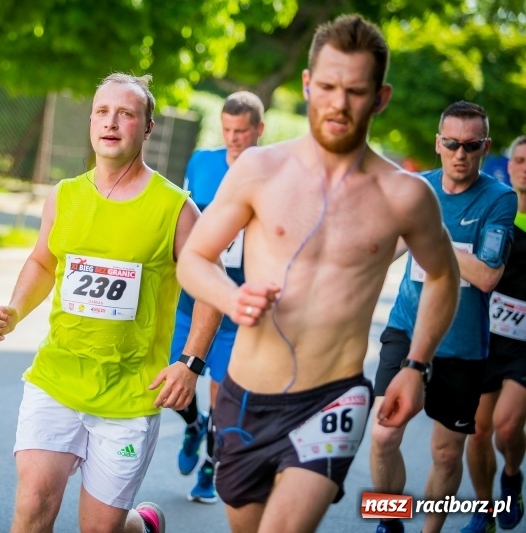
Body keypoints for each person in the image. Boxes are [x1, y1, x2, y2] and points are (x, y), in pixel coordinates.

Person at [176, 14, 461, 533]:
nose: (338, 102)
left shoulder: (406, 195)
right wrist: (230, 296)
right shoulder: (259, 170)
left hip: (332, 399)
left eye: (355, 90)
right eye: (327, 86)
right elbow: (194, 258)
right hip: (244, 397)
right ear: (307, 85)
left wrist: (415, 367)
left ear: (380, 97)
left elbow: (443, 277)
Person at [0, 72, 222, 533]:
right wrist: (13, 310)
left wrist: (190, 364)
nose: (111, 123)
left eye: (126, 114)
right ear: (91, 121)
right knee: (32, 508)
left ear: (147, 128)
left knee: (101, 529)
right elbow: (42, 261)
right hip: (57, 378)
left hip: (129, 395)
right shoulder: (65, 195)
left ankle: (142, 526)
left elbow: (209, 286)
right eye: (102, 112)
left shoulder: (175, 208)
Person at [370, 101, 517, 533]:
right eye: (451, 143)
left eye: (471, 145)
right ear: (438, 144)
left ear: (485, 147)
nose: (460, 153)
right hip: (405, 329)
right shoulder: (417, 190)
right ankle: (390, 522)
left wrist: (430, 236)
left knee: (447, 454)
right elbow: (381, 255)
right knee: (382, 437)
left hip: (462, 345)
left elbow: (488, 274)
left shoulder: (499, 198)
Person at [171, 91, 265, 504]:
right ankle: (193, 425)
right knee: (173, 388)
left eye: (242, 131)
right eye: (227, 130)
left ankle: (210, 468)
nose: (233, 139)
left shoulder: (272, 173)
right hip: (193, 299)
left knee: (221, 397)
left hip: (238, 305)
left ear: (259, 130)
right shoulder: (202, 163)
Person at [462, 135, 526, 533]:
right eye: (520, 160)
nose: (525, 167)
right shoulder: (497, 205)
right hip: (486, 331)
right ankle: (482, 511)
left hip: (525, 342)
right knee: (478, 429)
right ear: (510, 164)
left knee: (506, 425)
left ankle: (512, 475)